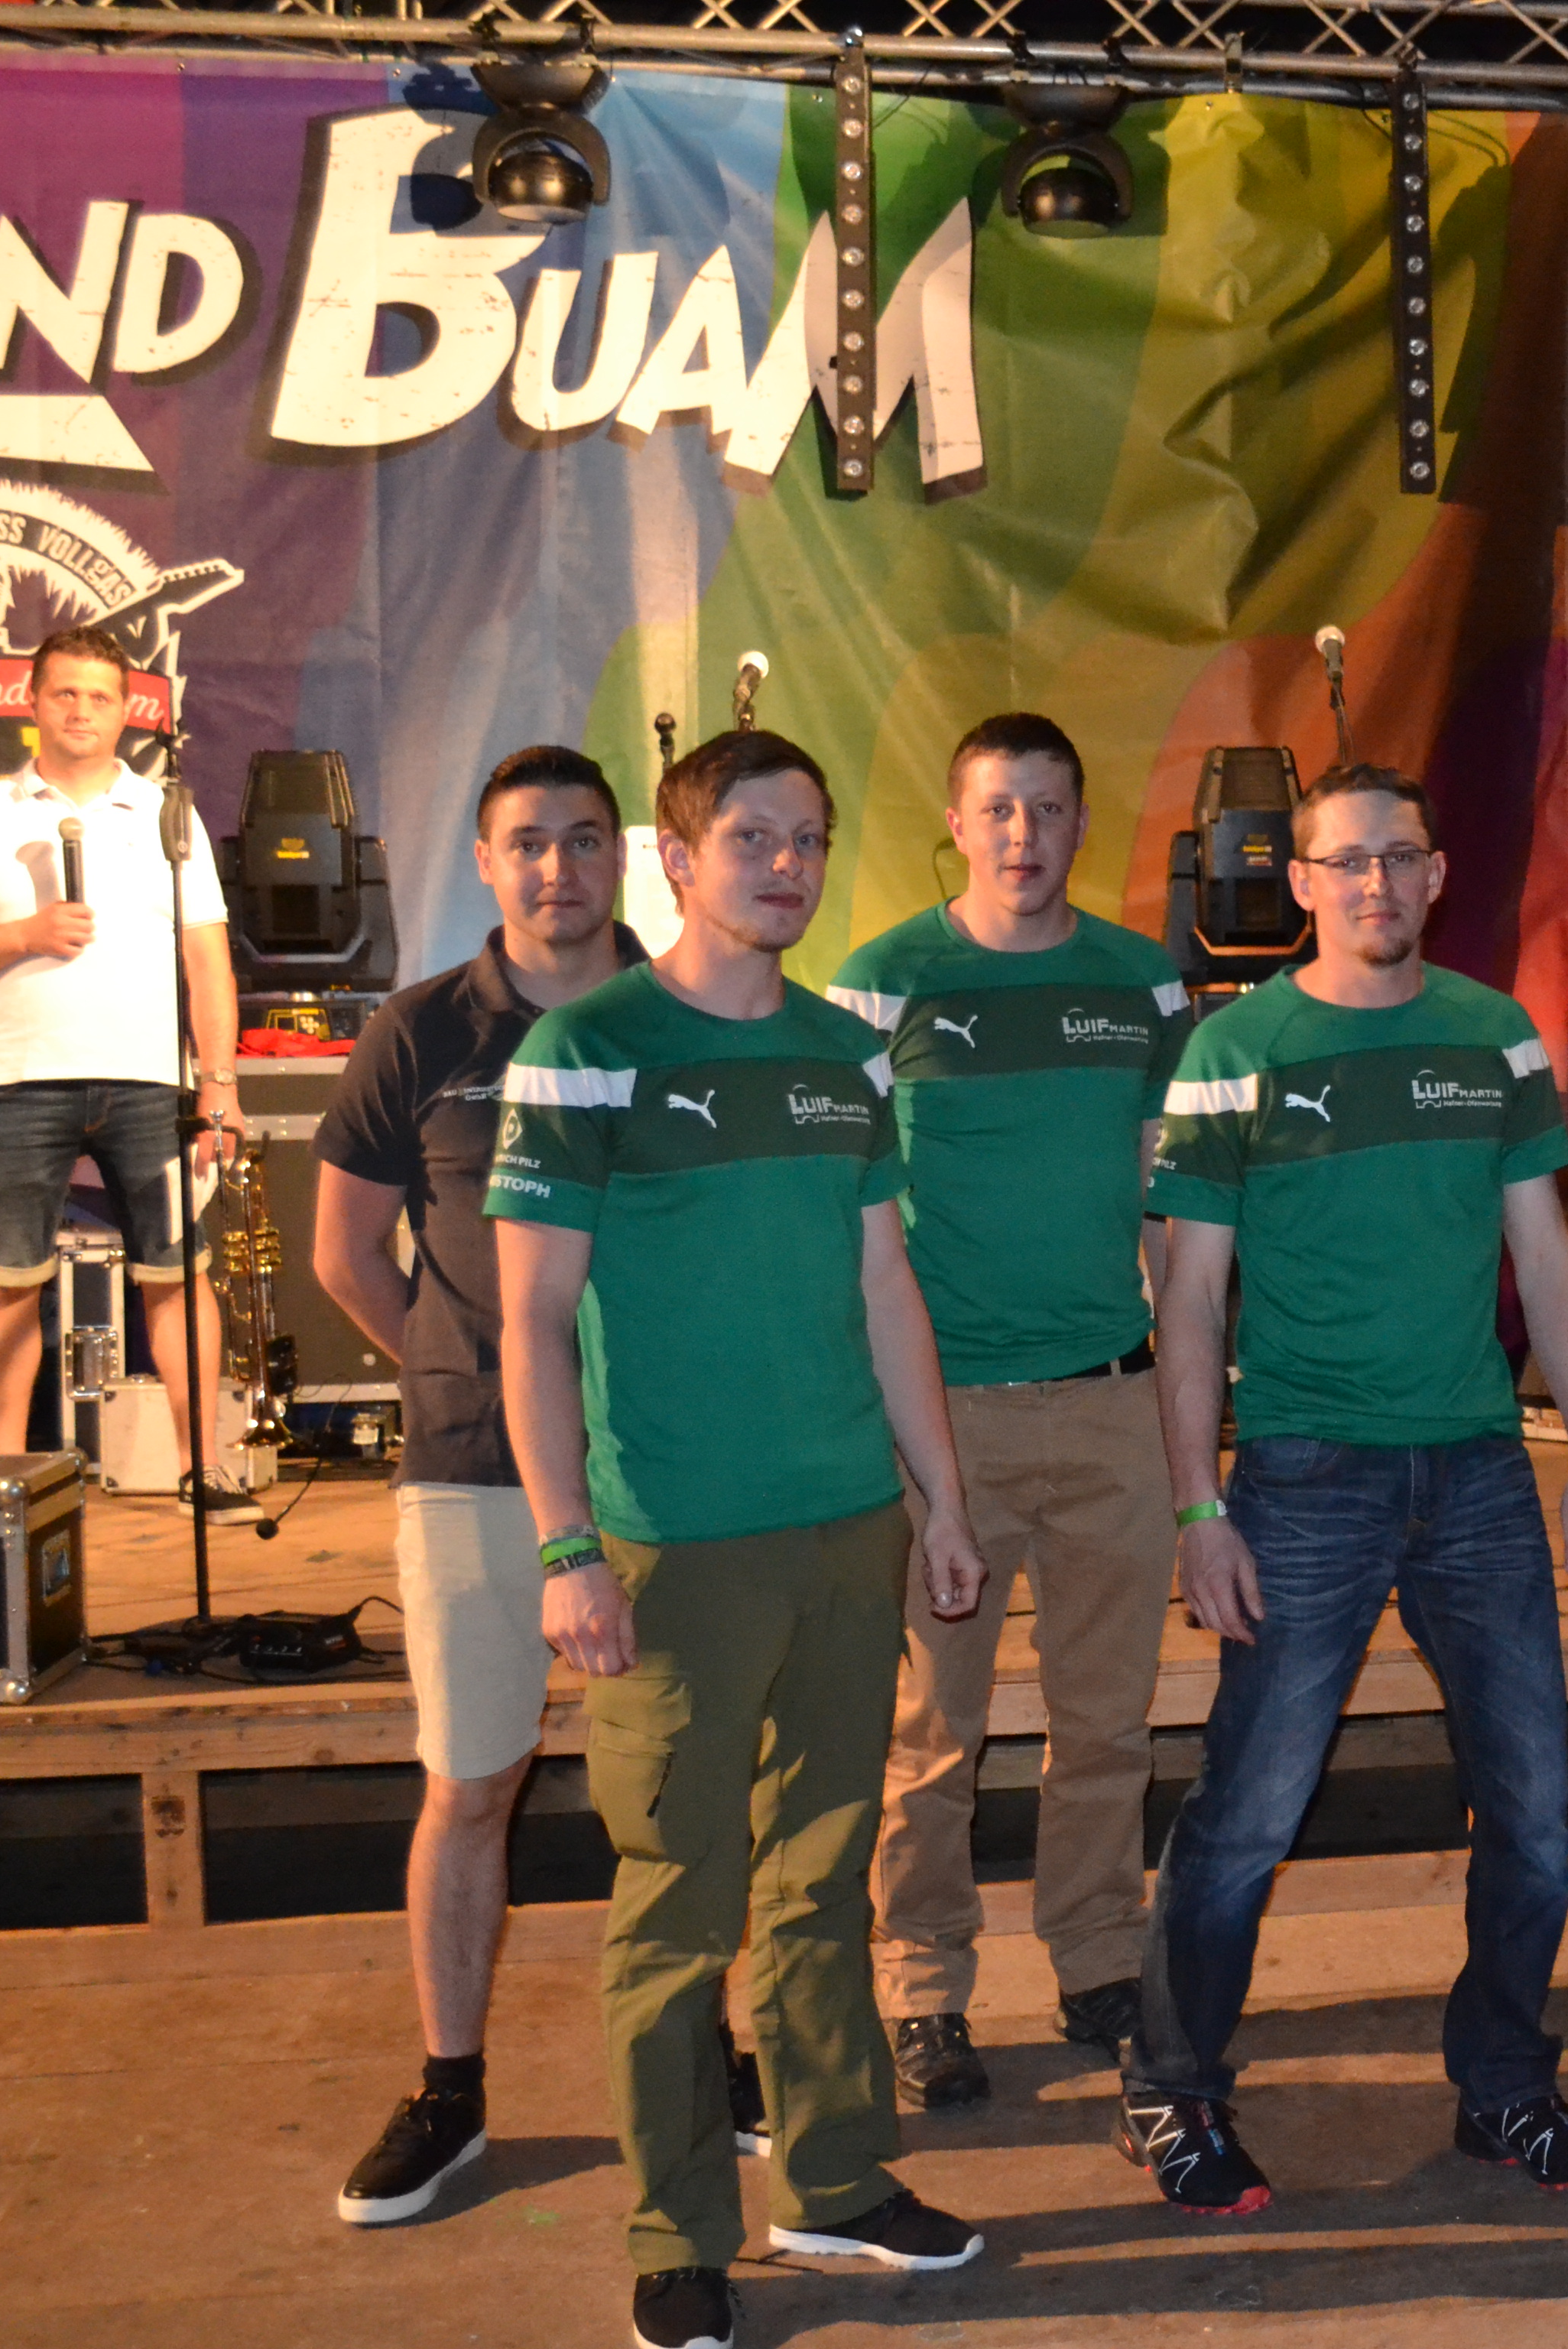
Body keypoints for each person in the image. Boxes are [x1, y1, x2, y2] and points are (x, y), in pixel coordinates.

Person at [490, 730, 992, 2349]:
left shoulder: (848, 1056)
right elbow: (531, 1321)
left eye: (810, 839)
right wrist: (566, 1548)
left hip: (847, 1530)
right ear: (680, 860)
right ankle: (677, 2233)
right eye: (754, 838)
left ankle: (836, 2181)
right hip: (673, 1552)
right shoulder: (585, 1052)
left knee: (823, 1878)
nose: (788, 866)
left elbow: (884, 1283)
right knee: (677, 1906)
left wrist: (941, 1497)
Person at [1117, 761, 1568, 2214]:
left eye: (1399, 858)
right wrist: (1199, 1508)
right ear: (1300, 884)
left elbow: (1545, 1254)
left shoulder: (1491, 1034)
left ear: (1437, 874)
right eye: (1345, 862)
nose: (1375, 885)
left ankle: (1503, 2084)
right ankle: (1171, 2090)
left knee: (1533, 1817)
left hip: (1477, 1472)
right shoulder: (1236, 1050)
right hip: (1302, 1482)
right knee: (1248, 1816)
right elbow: (1189, 1296)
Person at [826, 713, 1195, 2104]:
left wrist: (1191, 1410)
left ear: (1080, 823)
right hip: (945, 1429)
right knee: (933, 1737)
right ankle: (923, 1987)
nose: (1023, 835)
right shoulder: (882, 985)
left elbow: (1167, 1205)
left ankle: (1097, 1961)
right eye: (998, 809)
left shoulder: (1141, 983)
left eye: (1047, 808)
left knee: (1107, 1725)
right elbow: (846, 1219)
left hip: (1113, 1409)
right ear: (956, 823)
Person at [311, 747, 645, 2224]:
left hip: (662, 1473)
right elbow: (345, 1255)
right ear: (485, 861)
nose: (557, 867)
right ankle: (449, 2088)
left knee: (684, 1789)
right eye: (529, 842)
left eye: (584, 838)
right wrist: (476, 1378)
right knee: (470, 1784)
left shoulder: (686, 1016)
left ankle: (706, 2057)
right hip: (470, 1476)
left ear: (621, 856)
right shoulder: (421, 1030)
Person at [0, 623, 257, 1519]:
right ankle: (5, 1484)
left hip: (149, 1084)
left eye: (99, 696)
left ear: (125, 710)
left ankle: (201, 1469)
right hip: (13, 1079)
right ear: (32, 701)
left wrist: (221, 1083)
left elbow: (207, 957)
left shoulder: (167, 815)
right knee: (6, 1282)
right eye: (64, 692)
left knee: (176, 1275)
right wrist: (23, 935)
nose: (82, 710)